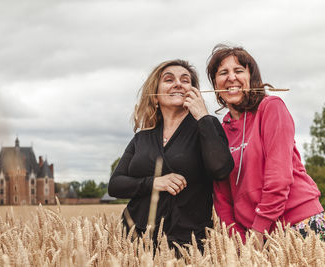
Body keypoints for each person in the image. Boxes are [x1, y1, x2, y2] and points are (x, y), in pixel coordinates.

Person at [108, 59, 234, 250]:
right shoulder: (142, 137)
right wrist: (154, 182)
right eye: (169, 79)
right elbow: (115, 185)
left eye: (185, 80)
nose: (178, 83)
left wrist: (202, 115)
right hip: (134, 240)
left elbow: (221, 169)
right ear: (155, 95)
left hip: (186, 243)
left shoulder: (206, 126)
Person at [206, 44, 324, 245]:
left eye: (239, 70)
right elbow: (221, 195)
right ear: (215, 83)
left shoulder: (270, 108)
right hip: (251, 237)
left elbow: (278, 177)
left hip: (297, 222)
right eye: (223, 72)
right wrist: (241, 241)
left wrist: (259, 229)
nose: (231, 77)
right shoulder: (220, 131)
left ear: (251, 78)